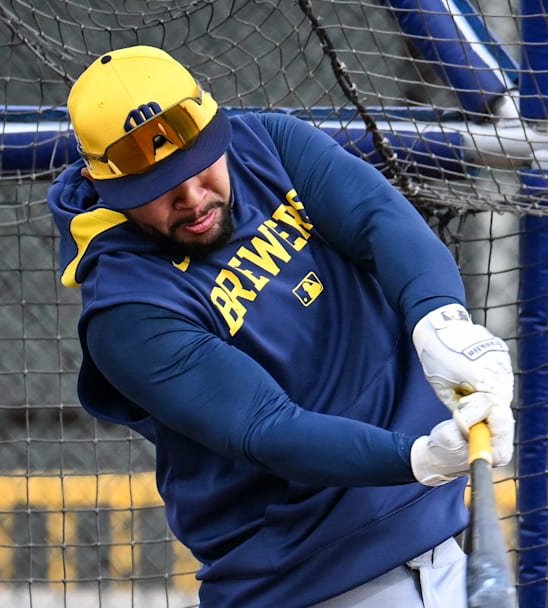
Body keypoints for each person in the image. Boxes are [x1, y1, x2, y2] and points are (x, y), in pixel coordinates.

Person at [47, 45, 516, 608]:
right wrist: (416, 458)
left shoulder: (264, 143)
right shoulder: (126, 308)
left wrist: (439, 320)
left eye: (198, 166)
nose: (192, 199)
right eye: (157, 189)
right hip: (311, 581)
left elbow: (378, 220)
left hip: (429, 543)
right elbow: (268, 428)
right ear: (109, 187)